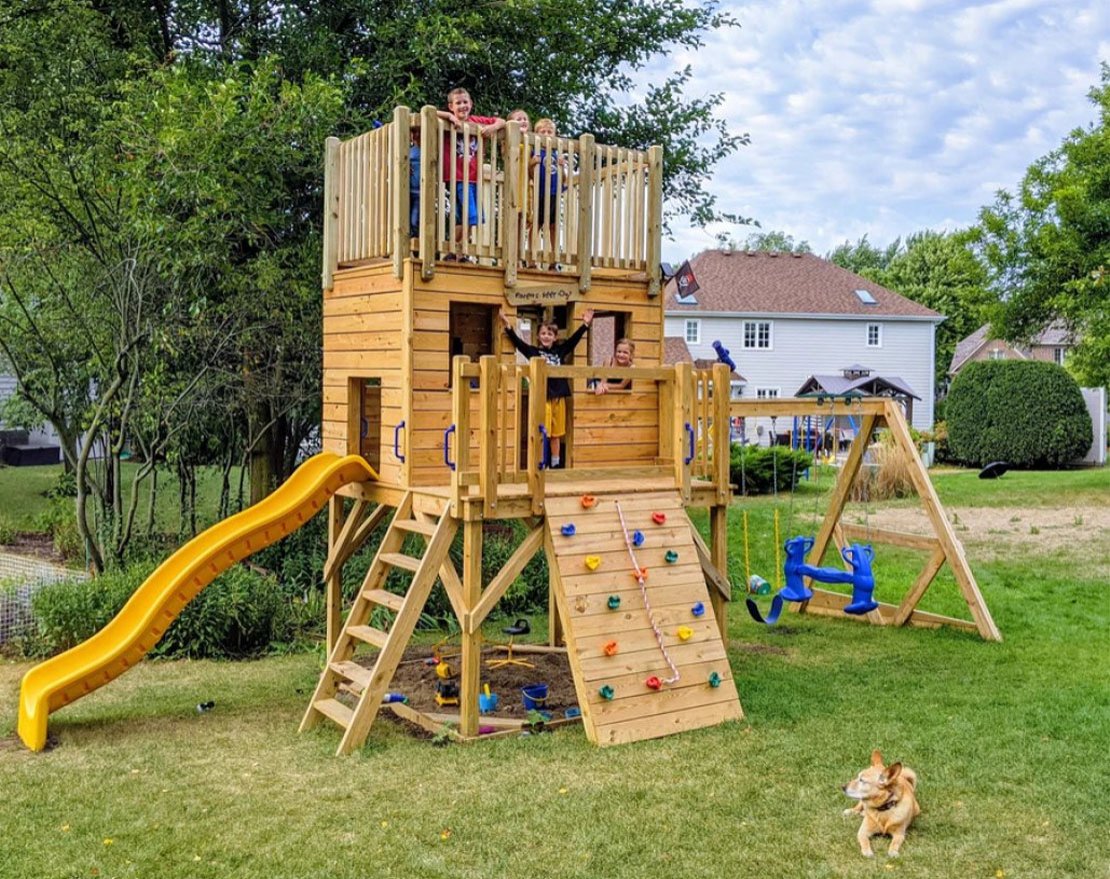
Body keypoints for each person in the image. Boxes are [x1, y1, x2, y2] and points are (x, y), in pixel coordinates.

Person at [499, 307, 594, 468]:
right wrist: (507, 325)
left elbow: (573, 341)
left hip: (559, 397)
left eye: (550, 334)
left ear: (555, 337)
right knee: (543, 433)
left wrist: (585, 325)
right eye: (543, 333)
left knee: (556, 434)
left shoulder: (559, 351)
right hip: (542, 397)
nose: (546, 336)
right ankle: (541, 463)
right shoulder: (533, 351)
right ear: (538, 336)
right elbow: (518, 343)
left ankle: (555, 464)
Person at [438, 88, 504, 256]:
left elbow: (502, 121)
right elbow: (429, 112)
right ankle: (456, 250)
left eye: (465, 102)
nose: (462, 106)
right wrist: (450, 117)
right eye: (458, 103)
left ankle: (455, 253)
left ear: (471, 104)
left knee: (464, 218)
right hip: (457, 177)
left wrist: (493, 127)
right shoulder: (447, 121)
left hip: (474, 178)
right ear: (451, 106)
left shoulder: (476, 121)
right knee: (472, 216)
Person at [529, 118, 567, 268]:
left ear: (555, 135)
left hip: (554, 193)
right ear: (536, 134)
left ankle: (554, 259)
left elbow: (563, 179)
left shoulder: (556, 154)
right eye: (542, 132)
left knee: (553, 225)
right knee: (536, 224)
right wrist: (532, 162)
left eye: (549, 132)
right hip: (540, 192)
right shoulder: (535, 151)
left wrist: (562, 166)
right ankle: (531, 259)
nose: (546, 134)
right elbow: (530, 174)